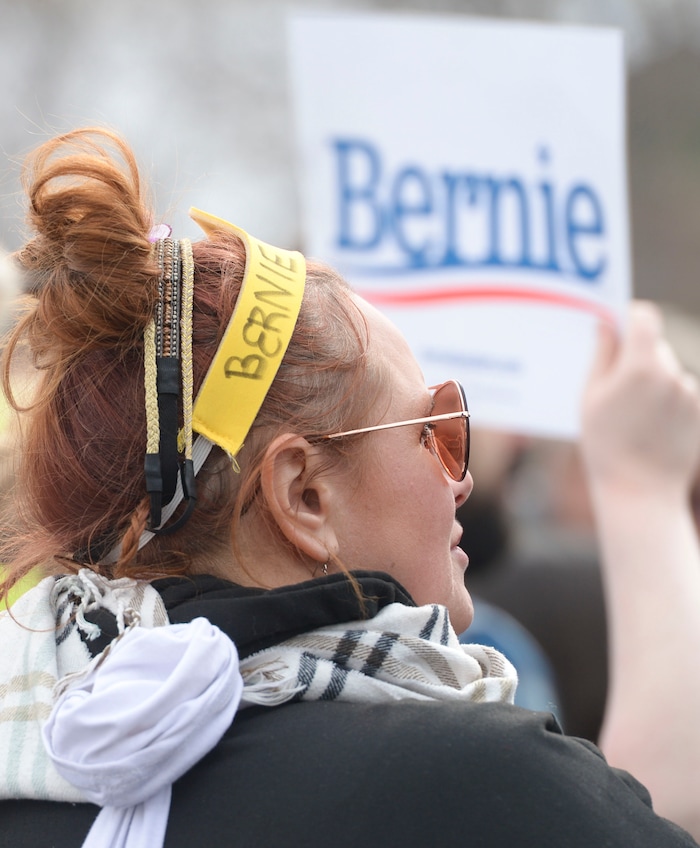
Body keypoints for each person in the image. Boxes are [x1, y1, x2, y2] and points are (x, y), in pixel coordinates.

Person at [0, 127, 699, 848]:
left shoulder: (28, 764)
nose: (461, 481)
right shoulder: (471, 780)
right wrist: (643, 492)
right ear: (304, 497)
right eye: (435, 428)